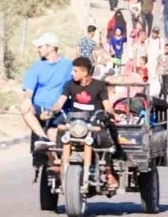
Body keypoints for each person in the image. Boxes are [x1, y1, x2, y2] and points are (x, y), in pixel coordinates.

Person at [50, 57, 119, 189]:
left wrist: (111, 113)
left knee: (106, 140)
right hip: (75, 123)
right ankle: (60, 163)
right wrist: (52, 110)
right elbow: (60, 102)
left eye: (75, 71)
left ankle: (109, 172)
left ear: (85, 72)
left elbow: (107, 105)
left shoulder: (99, 86)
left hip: (94, 123)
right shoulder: (70, 85)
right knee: (61, 132)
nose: (72, 73)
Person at [20, 33, 73, 150]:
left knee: (55, 135)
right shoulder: (36, 66)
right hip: (40, 107)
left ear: (51, 47)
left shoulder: (68, 65)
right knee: (25, 108)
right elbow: (29, 89)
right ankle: (43, 137)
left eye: (40, 46)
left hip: (60, 108)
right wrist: (27, 99)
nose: (38, 49)